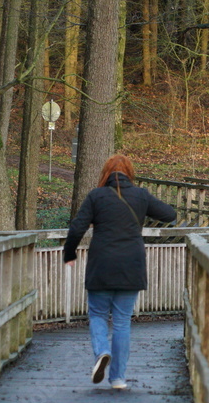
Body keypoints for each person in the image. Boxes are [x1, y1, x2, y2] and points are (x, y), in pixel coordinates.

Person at [63, 155, 176, 389]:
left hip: (102, 264)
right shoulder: (141, 195)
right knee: (122, 322)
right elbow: (170, 214)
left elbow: (77, 227)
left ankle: (102, 351)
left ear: (105, 174)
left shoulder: (96, 196)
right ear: (129, 174)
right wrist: (143, 209)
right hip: (131, 264)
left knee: (97, 314)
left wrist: (69, 254)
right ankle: (117, 379)